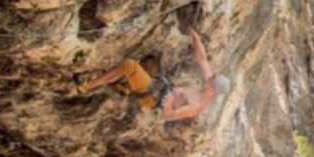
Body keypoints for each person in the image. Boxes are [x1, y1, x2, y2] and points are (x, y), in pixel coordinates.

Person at [75, 27, 219, 125]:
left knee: (129, 66)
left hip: (152, 97)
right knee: (150, 60)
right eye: (212, 78)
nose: (209, 80)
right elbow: (202, 59)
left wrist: (168, 105)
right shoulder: (208, 83)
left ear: (213, 91)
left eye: (212, 82)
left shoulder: (197, 107)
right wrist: (194, 36)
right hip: (161, 86)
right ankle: (126, 86)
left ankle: (88, 86)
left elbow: (167, 117)